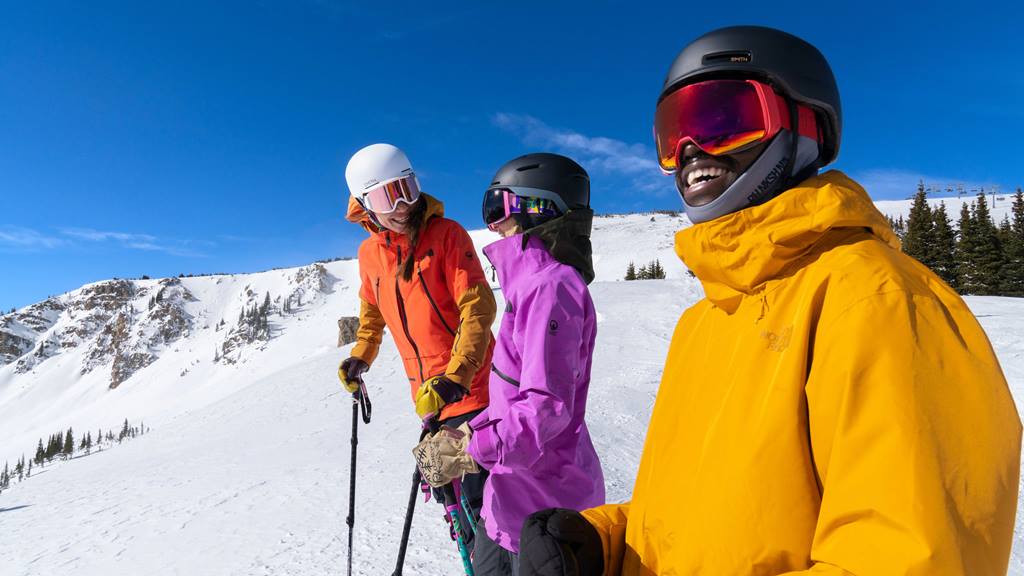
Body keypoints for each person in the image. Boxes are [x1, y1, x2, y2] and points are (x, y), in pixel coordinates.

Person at [517, 26, 1022, 576]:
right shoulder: (705, 321)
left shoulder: (876, 299)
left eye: (722, 120)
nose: (690, 151)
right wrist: (606, 545)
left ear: (806, 125)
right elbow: (703, 520)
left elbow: (909, 558)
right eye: (672, 133)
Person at [413, 153, 606, 575]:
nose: (491, 221)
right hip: (506, 504)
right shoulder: (530, 288)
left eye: (498, 207)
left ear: (538, 207)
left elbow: (544, 410)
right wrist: (465, 431)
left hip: (544, 512)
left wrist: (467, 448)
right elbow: (511, 400)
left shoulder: (551, 288)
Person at [338, 143, 496, 536]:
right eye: (387, 196)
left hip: (474, 393)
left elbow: (477, 308)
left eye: (407, 187)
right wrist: (362, 354)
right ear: (363, 204)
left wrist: (456, 378)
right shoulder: (369, 254)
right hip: (429, 401)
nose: (403, 205)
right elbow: (371, 312)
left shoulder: (446, 236)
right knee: (454, 507)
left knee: (484, 507)